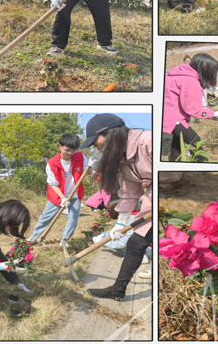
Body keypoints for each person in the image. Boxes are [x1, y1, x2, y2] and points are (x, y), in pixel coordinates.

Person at [78, 113, 152, 301]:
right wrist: (121, 223)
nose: (96, 145)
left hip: (175, 193)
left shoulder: (149, 142)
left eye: (96, 140)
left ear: (110, 133)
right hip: (154, 196)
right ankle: (118, 290)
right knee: (135, 243)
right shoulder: (121, 158)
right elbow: (129, 190)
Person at [27, 133, 90, 247]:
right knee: (46, 217)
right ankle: (35, 237)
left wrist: (91, 166)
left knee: (73, 219)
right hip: (57, 195)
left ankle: (65, 241)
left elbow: (88, 172)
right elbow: (53, 184)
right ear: (60, 146)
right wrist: (63, 198)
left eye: (73, 150)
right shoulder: (51, 163)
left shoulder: (80, 157)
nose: (70, 153)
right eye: (67, 150)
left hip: (74, 194)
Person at [163, 53, 218, 162]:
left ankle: (175, 163)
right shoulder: (190, 82)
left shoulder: (176, 73)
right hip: (173, 119)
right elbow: (193, 110)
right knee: (195, 142)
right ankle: (199, 164)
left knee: (178, 141)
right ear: (206, 70)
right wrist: (214, 114)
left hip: (165, 115)